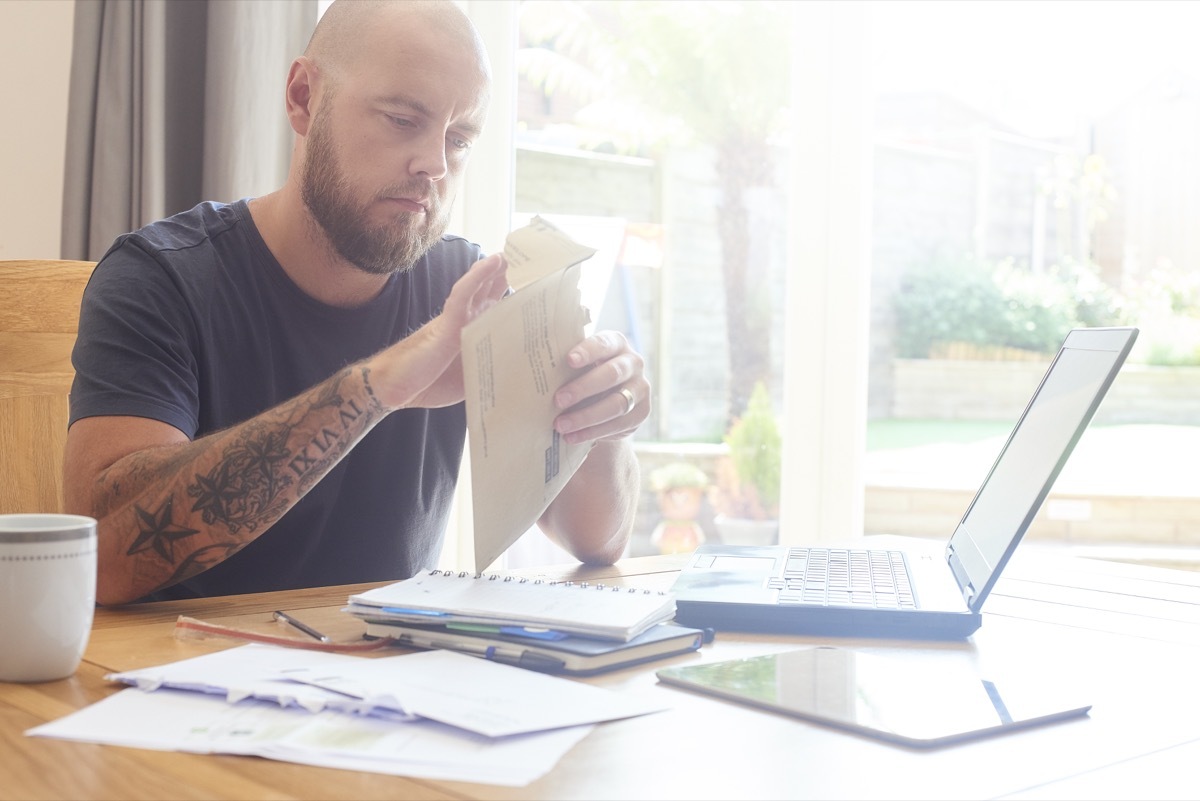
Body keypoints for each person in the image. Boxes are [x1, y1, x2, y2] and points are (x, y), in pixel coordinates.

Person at [64, 0, 649, 606]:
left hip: (387, 676)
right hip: (178, 674)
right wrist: (377, 387)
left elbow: (595, 540)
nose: (433, 165)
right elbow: (101, 560)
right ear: (303, 97)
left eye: (459, 138)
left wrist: (599, 414)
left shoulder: (471, 287)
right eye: (402, 119)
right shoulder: (162, 277)